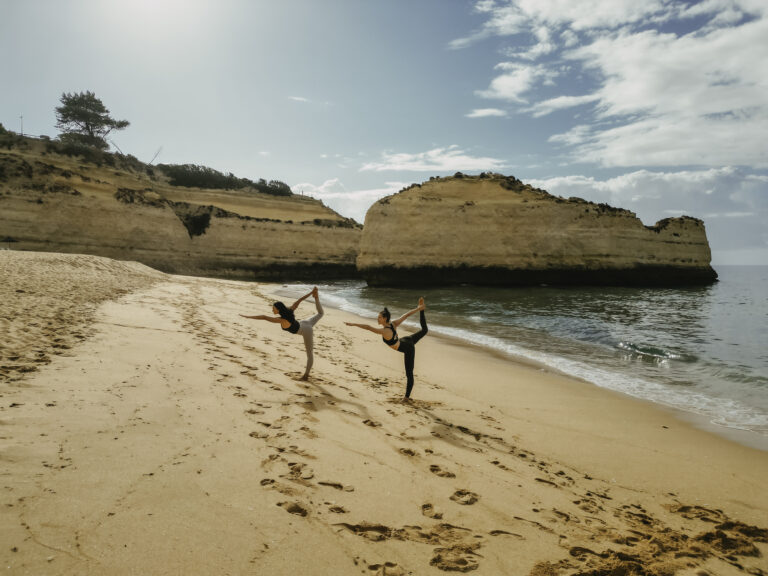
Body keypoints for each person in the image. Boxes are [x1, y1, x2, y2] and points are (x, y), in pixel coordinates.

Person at [345, 297, 428, 401]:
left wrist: (354, 324)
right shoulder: (393, 324)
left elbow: (368, 327)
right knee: (424, 330)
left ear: (384, 318)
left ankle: (406, 397)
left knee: (409, 373)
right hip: (406, 340)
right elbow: (406, 315)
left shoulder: (385, 331)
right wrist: (418, 308)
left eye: (379, 317)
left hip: (408, 348)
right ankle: (422, 309)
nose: (377, 318)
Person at [240, 286, 323, 380]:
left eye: (273, 308)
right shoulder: (289, 310)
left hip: (306, 330)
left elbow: (264, 317)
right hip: (304, 323)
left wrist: (248, 317)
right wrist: (311, 292)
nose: (272, 310)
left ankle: (306, 376)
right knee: (320, 314)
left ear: (278, 310)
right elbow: (300, 299)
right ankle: (316, 296)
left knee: (309, 353)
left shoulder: (282, 320)